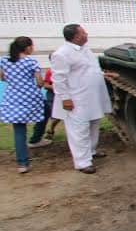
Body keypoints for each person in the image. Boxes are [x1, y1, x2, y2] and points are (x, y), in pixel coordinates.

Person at [51, 25, 116, 174]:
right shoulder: (62, 54)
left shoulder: (85, 50)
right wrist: (65, 98)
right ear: (76, 36)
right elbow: (59, 79)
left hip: (92, 96)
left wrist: (104, 75)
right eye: (83, 32)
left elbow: (89, 69)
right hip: (76, 98)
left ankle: (91, 151)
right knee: (78, 130)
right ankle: (82, 162)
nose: (86, 34)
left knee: (93, 124)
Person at [1, 36, 45, 173]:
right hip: (30, 97)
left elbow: (2, 77)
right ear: (27, 48)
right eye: (32, 46)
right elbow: (39, 82)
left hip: (12, 97)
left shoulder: (4, 60)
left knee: (19, 131)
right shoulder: (30, 61)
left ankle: (22, 164)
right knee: (48, 111)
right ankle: (36, 138)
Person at [27, 61, 57, 147]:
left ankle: (36, 138)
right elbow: (42, 84)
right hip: (51, 95)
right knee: (50, 113)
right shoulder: (50, 71)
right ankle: (38, 137)